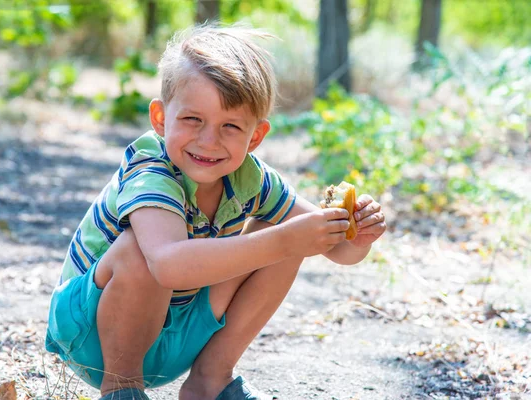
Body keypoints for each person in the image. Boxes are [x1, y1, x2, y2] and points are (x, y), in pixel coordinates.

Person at [45, 24, 387, 400]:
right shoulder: (152, 173)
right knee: (142, 250)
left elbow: (337, 250)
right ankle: (122, 389)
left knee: (285, 229)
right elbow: (168, 264)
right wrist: (285, 240)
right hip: (94, 336)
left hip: (179, 335)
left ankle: (211, 381)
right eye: (193, 119)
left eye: (230, 126)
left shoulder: (251, 178)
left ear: (254, 137)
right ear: (160, 119)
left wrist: (358, 233)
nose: (209, 141)